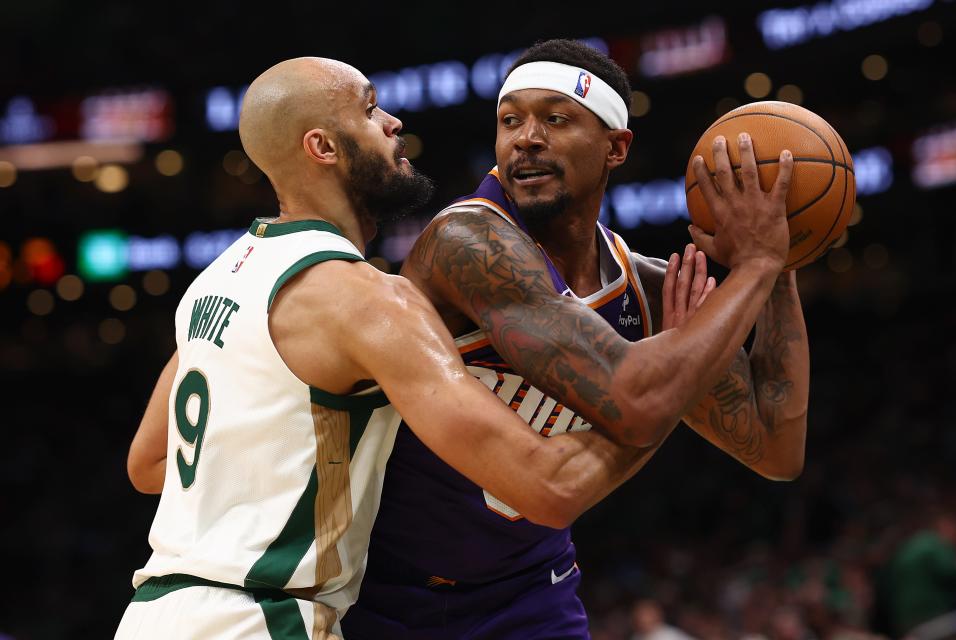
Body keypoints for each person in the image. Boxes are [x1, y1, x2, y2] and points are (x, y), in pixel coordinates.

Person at [116, 56, 681, 640]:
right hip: (264, 617)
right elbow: (548, 487)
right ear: (323, 147)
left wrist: (283, 470)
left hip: (156, 611)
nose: (392, 122)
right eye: (369, 109)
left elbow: (147, 463)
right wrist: (670, 389)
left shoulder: (215, 282)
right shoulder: (367, 302)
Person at [341, 39, 809, 639]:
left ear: (616, 148)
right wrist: (753, 271)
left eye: (555, 119)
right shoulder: (467, 244)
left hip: (532, 591)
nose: (526, 138)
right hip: (388, 593)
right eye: (510, 120)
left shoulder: (647, 290)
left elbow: (776, 449)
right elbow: (638, 404)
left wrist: (782, 267)